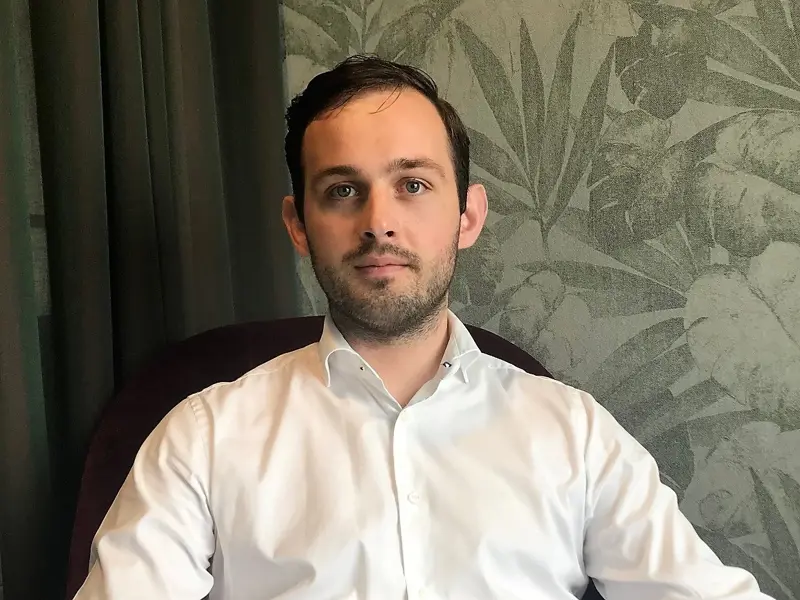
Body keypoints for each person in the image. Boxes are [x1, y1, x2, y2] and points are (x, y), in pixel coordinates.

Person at [72, 54, 773, 600]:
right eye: (343, 190)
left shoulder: (575, 436)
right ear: (297, 224)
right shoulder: (204, 437)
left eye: (413, 185)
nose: (379, 220)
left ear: (467, 217)